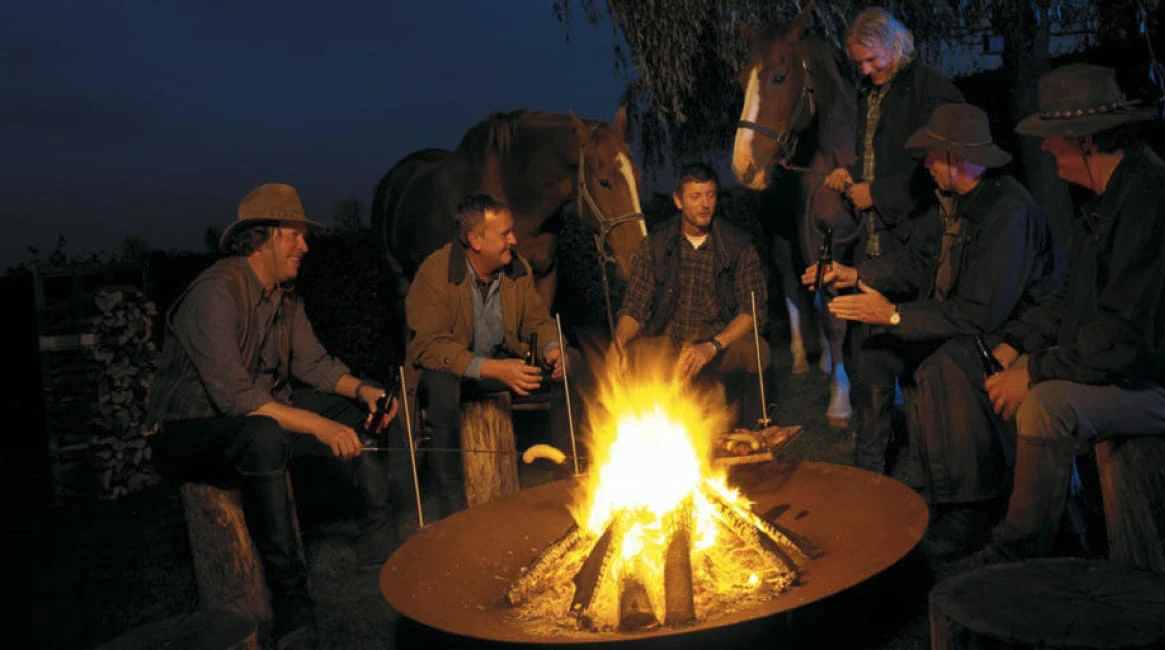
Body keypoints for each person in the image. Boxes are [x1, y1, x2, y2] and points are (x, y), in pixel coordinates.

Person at [965, 63, 1165, 565]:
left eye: (1052, 137)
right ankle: (1072, 535)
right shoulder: (1111, 200)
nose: (1044, 148)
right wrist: (1019, 345)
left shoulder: (1153, 204)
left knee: (1047, 405)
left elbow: (1132, 341)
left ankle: (1017, 556)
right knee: (1033, 388)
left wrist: (1038, 372)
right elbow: (1075, 301)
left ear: (1083, 141)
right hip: (1160, 363)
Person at [144, 183, 398, 650]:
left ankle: (378, 534)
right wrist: (321, 427)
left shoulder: (286, 302)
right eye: (294, 236)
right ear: (262, 239)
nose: (305, 246)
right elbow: (237, 397)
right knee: (263, 435)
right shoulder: (215, 293)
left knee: (352, 405)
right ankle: (291, 601)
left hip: (253, 414)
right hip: (186, 433)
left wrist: (366, 392)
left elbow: (315, 366)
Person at [807, 103, 1062, 558]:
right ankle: (910, 483)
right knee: (882, 350)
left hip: (1017, 331)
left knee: (944, 361)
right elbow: (918, 263)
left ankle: (971, 506)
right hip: (971, 320)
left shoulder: (1008, 213)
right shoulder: (951, 204)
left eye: (932, 155)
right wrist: (854, 274)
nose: (924, 164)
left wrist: (896, 316)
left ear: (959, 159)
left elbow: (981, 312)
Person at [820, 6, 966, 481]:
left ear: (894, 44)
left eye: (870, 60)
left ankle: (931, 475)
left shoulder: (932, 91)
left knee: (919, 371)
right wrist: (854, 176)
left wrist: (875, 192)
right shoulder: (871, 92)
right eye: (858, 63)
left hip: (920, 248)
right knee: (869, 366)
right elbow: (879, 160)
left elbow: (941, 171)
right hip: (876, 246)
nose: (864, 70)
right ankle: (869, 477)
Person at [405, 192, 585, 515]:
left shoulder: (518, 270)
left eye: (511, 231)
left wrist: (553, 348)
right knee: (441, 386)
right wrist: (493, 369)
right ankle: (454, 508)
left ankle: (567, 477)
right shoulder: (436, 272)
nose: (513, 240)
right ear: (475, 240)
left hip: (504, 363)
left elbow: (537, 320)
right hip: (459, 371)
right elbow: (428, 346)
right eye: (504, 234)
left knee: (574, 362)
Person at [610, 163, 770, 429]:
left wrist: (712, 346)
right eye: (696, 197)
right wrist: (617, 345)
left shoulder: (737, 246)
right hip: (669, 343)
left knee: (757, 351)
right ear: (678, 200)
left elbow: (752, 312)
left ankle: (755, 433)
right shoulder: (656, 246)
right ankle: (645, 437)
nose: (705, 204)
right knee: (631, 354)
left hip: (718, 343)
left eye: (710, 195)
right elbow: (634, 308)